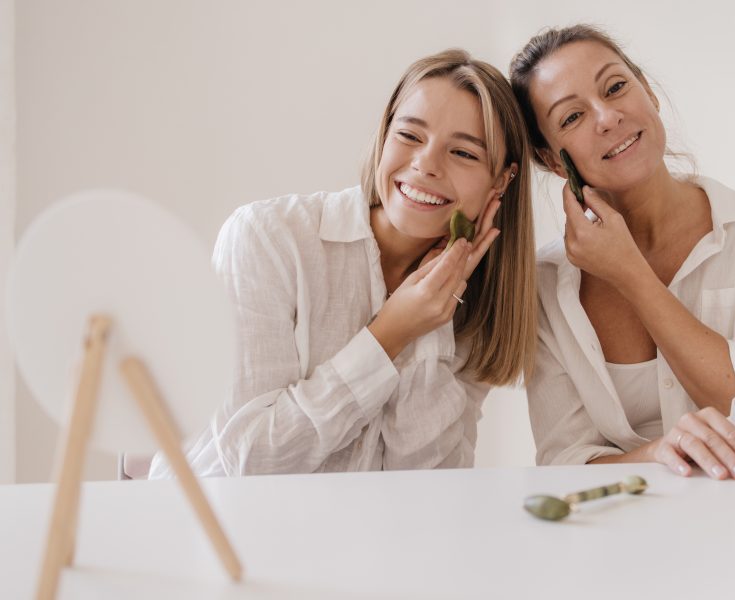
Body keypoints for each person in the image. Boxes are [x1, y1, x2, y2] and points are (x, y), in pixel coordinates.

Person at [149, 49, 536, 477]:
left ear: (501, 180)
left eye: (463, 153)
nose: (425, 164)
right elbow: (251, 461)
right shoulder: (268, 238)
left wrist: (429, 328)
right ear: (384, 136)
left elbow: (428, 490)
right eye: (409, 135)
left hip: (356, 538)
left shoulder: (478, 301)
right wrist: (391, 333)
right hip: (215, 528)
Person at [509, 25, 735, 479]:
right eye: (572, 118)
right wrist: (661, 452)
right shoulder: (547, 285)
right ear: (551, 159)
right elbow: (565, 462)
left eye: (617, 87)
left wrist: (630, 275)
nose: (607, 117)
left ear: (649, 93)